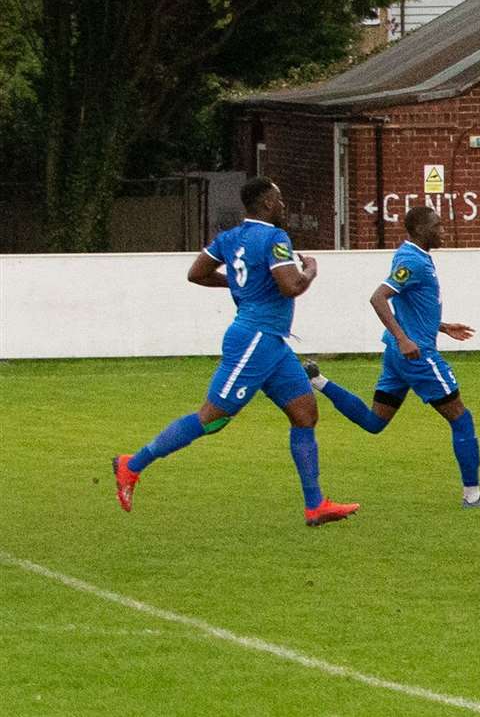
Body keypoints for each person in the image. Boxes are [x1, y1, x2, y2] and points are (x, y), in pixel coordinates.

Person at [112, 177, 360, 526]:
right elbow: (291, 287)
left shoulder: (229, 237)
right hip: (254, 340)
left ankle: (315, 505)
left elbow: (196, 273)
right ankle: (132, 465)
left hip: (271, 342)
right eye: (280, 200)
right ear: (268, 204)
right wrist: (311, 271)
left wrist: (240, 281)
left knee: (305, 413)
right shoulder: (275, 238)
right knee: (211, 418)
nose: (284, 206)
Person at [304, 206, 480, 508]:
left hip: (399, 356)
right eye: (437, 226)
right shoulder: (413, 260)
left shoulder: (414, 257)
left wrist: (441, 325)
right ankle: (472, 497)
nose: (443, 230)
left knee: (374, 422)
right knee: (462, 419)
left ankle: (318, 380)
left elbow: (410, 304)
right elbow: (378, 297)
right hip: (417, 356)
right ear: (421, 230)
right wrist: (404, 338)